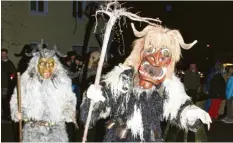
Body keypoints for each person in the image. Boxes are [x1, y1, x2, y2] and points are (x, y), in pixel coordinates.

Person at [80, 23, 211, 142]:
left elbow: (178, 106)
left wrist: (189, 113)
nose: (156, 58)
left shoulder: (168, 85)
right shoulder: (122, 78)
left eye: (164, 53)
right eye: (150, 49)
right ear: (140, 52)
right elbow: (94, 112)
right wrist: (93, 99)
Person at [10, 44, 77, 142]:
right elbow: (16, 100)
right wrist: (17, 111)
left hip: (56, 131)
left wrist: (69, 111)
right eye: (42, 64)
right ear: (36, 65)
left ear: (56, 65)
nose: (47, 68)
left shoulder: (63, 82)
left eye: (50, 64)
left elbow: (69, 100)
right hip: (32, 130)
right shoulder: (26, 81)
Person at [1, 48, 16, 120]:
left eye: (4, 54)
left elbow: (13, 73)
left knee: (5, 101)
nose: (3, 55)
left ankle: (5, 115)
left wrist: (11, 78)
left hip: (5, 86)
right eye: (2, 54)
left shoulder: (10, 63)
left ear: (6, 54)